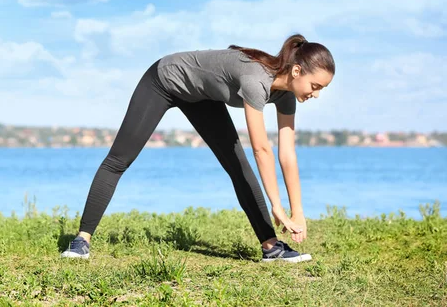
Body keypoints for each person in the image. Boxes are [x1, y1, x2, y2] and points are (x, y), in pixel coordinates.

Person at [61, 34, 335, 262]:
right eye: (315, 85)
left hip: (202, 96)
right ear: (297, 71)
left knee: (237, 166)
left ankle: (271, 246)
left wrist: (297, 211)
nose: (317, 93)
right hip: (164, 80)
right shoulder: (256, 79)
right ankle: (82, 239)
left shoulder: (287, 95)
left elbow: (287, 154)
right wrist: (277, 205)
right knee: (120, 159)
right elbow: (262, 149)